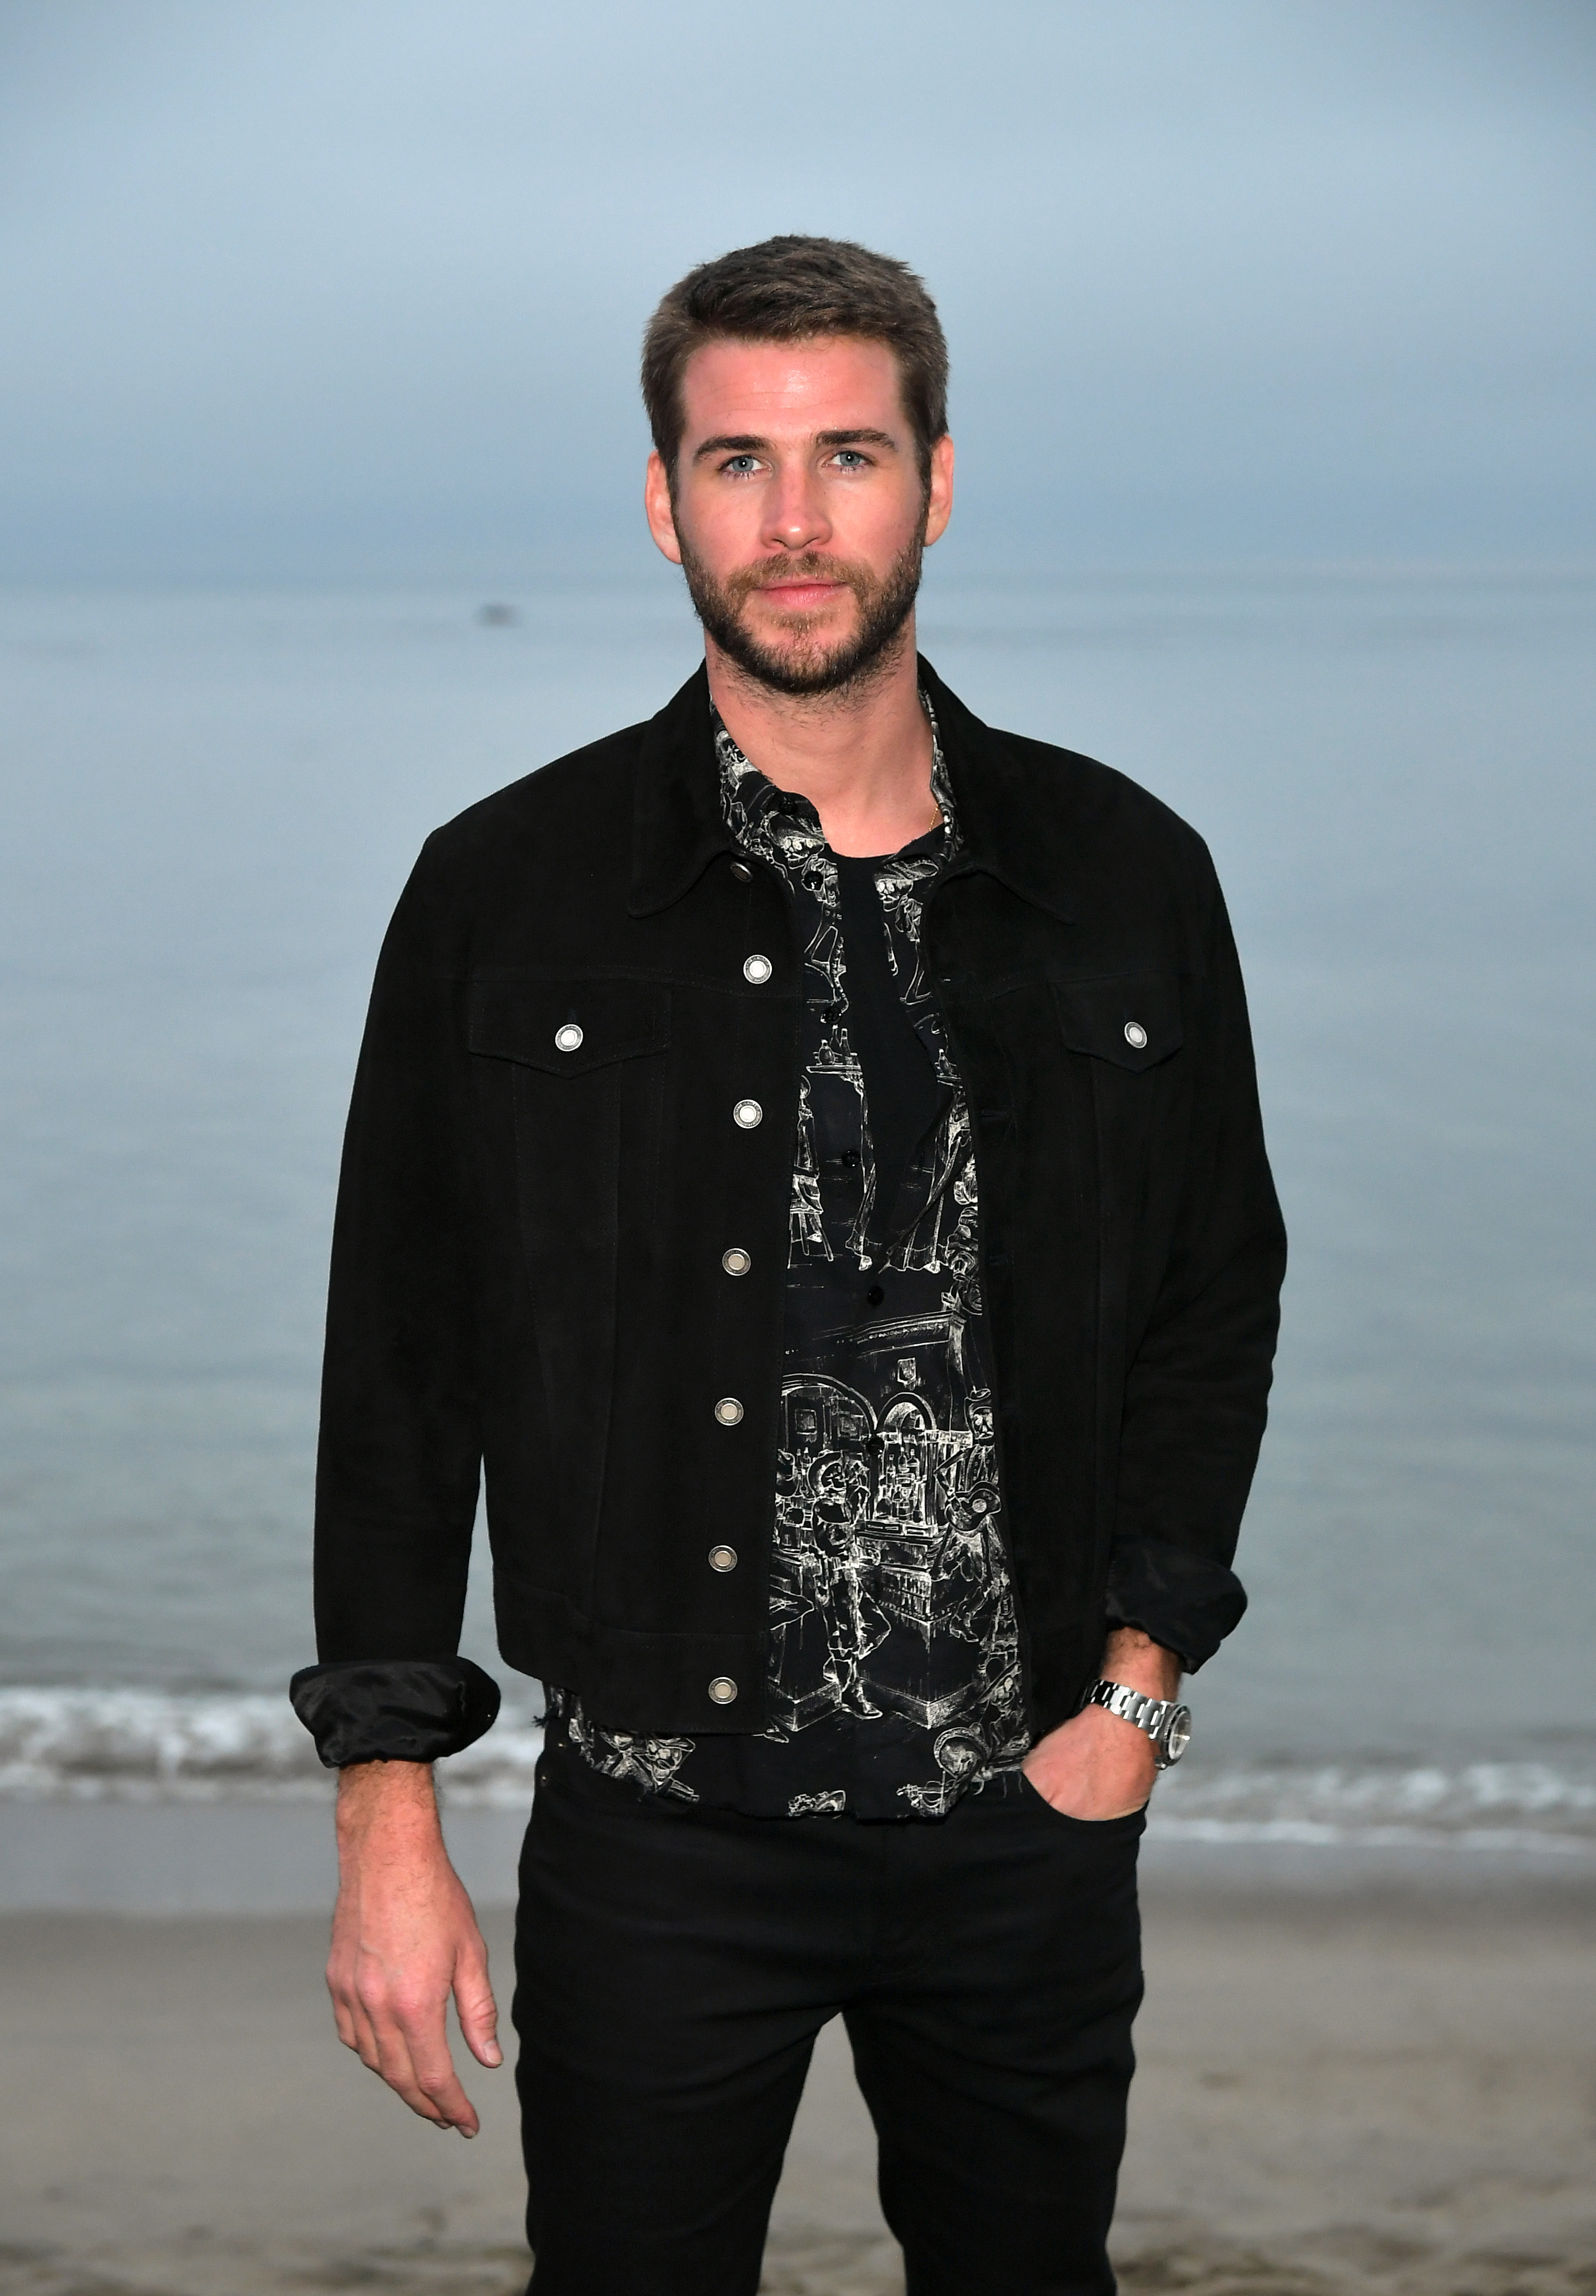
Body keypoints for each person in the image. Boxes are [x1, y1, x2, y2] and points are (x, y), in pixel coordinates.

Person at [290, 234, 1285, 2296]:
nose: (797, 520)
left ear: (936, 477)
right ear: (665, 499)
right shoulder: (507, 885)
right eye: (738, 463)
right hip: (660, 1823)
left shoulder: (1124, 874)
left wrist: (1136, 1692)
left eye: (850, 454)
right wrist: (390, 1824)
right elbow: (401, 1361)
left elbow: (1214, 1291)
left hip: (1025, 1818)